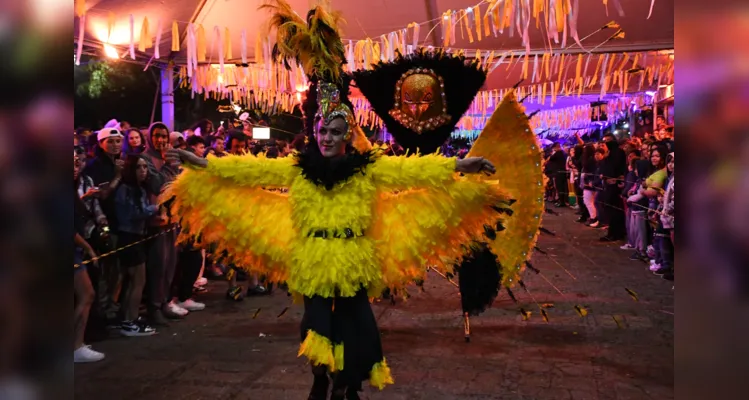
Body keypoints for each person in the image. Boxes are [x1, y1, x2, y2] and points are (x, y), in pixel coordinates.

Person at [162, 3, 513, 398]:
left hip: (353, 255)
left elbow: (413, 171)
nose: (326, 137)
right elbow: (250, 171)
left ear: (346, 135)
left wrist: (460, 164)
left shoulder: (368, 167)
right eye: (321, 131)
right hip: (313, 256)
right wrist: (203, 162)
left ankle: (349, 384)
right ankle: (319, 378)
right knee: (316, 326)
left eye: (334, 131)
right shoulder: (297, 167)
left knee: (356, 327)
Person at [114, 155, 158, 336]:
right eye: (139, 167)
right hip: (129, 237)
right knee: (137, 281)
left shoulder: (138, 188)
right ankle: (129, 321)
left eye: (145, 167)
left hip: (136, 236)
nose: (143, 171)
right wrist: (155, 208)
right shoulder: (126, 189)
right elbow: (134, 213)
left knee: (135, 281)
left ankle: (129, 318)